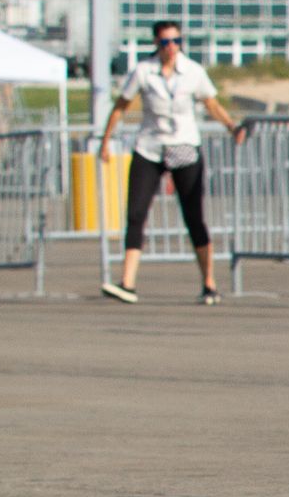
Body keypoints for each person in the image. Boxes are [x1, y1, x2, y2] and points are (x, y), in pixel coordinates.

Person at [98, 20, 248, 304]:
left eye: (176, 41)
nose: (171, 47)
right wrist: (105, 142)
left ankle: (209, 283)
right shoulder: (143, 71)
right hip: (150, 147)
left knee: (193, 216)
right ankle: (127, 283)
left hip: (184, 146)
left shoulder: (193, 72)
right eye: (166, 42)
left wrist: (232, 127)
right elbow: (120, 107)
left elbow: (211, 103)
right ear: (156, 43)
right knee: (136, 214)